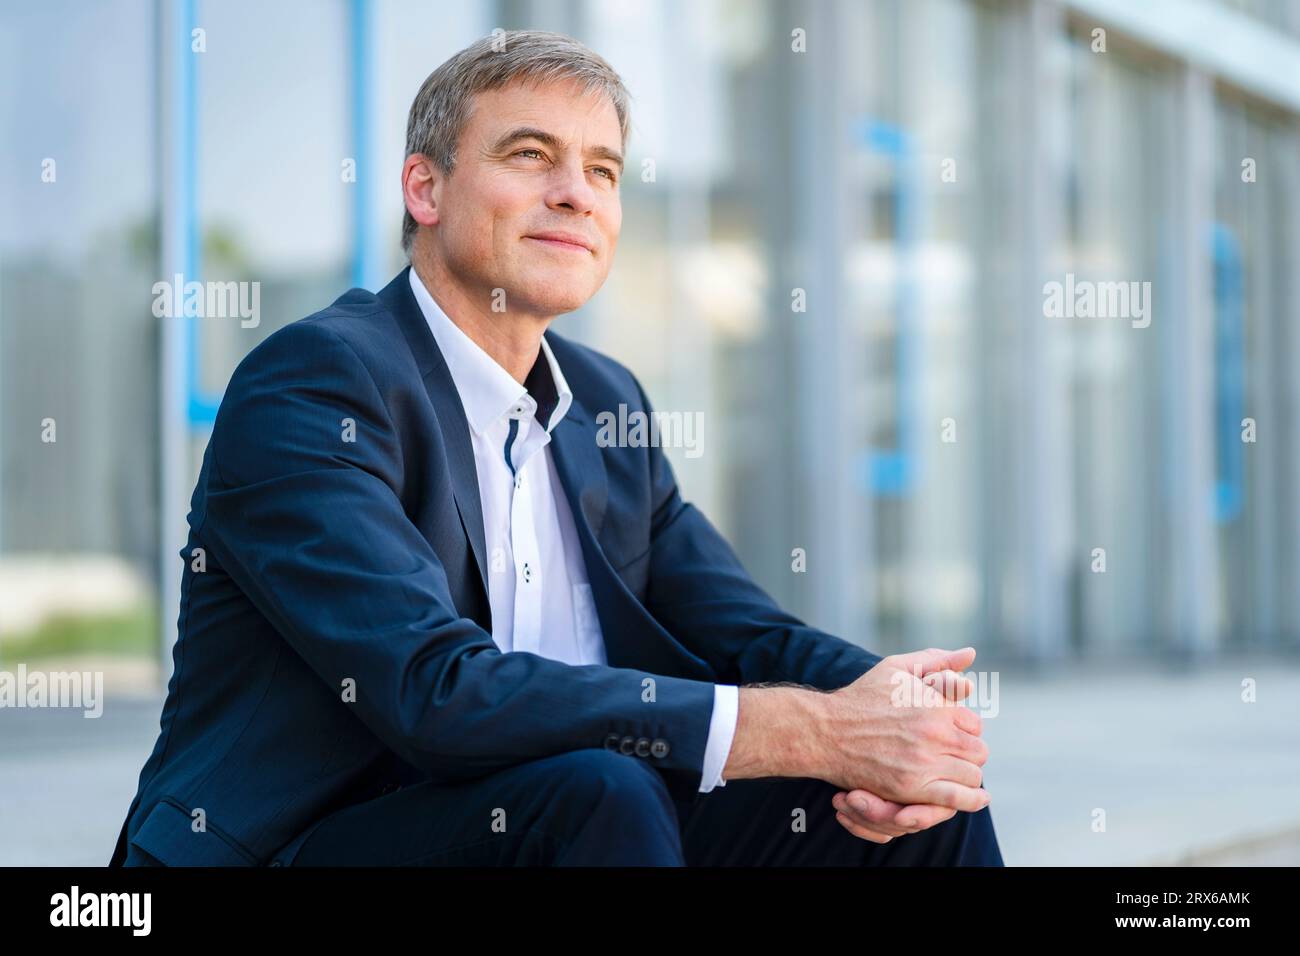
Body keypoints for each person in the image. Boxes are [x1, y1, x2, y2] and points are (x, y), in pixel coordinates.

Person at [111, 29, 1001, 867]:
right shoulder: (317, 382)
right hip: (307, 840)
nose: (575, 191)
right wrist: (816, 730)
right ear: (425, 189)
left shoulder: (605, 402)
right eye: (532, 155)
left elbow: (748, 633)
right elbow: (434, 691)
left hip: (572, 822)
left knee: (920, 813)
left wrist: (901, 716)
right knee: (600, 788)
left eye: (602, 169)